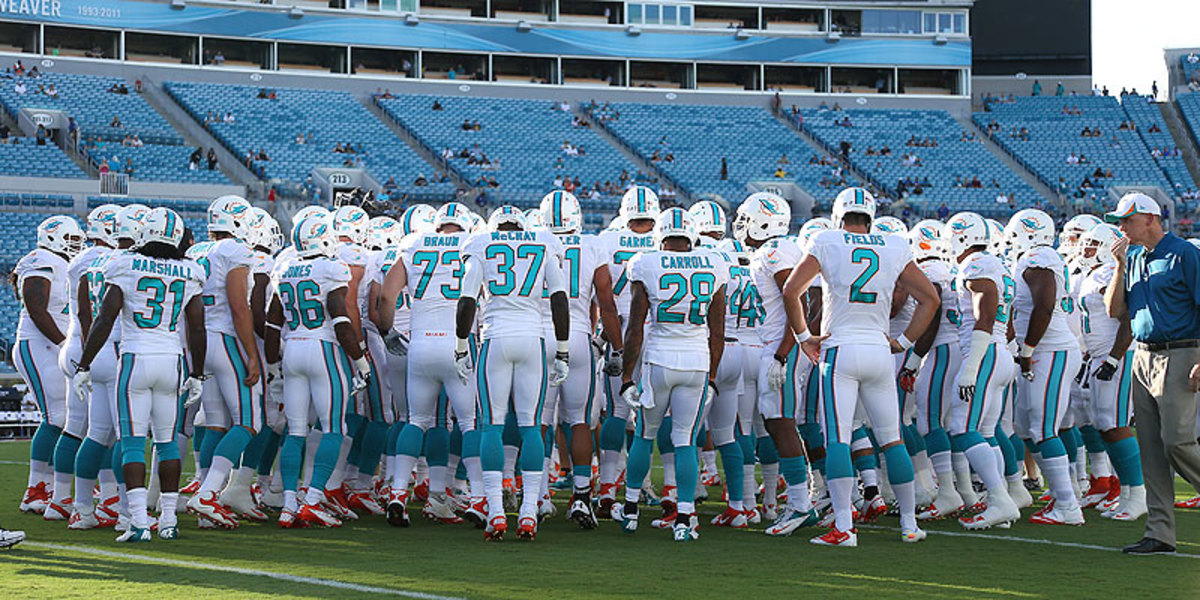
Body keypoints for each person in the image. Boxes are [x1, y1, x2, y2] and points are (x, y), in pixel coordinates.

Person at [782, 187, 939, 547]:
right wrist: (903, 342)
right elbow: (930, 299)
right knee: (892, 437)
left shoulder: (827, 240)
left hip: (840, 348)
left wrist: (805, 336)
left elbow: (792, 291)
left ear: (840, 216)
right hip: (879, 350)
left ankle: (843, 527)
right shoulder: (895, 244)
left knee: (838, 438)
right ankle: (910, 525)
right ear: (870, 216)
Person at [72, 208, 206, 542]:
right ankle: (169, 520)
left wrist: (84, 364)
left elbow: (104, 319)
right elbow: (198, 328)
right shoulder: (189, 270)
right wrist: (198, 374)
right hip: (171, 360)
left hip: (135, 357)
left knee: (132, 442)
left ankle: (139, 522)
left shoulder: (127, 264)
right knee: (166, 443)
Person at [456, 205, 570, 541]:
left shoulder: (481, 243)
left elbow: (466, 300)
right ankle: (529, 513)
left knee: (491, 424)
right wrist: (562, 348)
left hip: (496, 336)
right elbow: (560, 299)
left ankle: (495, 513)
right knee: (530, 426)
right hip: (532, 338)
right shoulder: (544, 242)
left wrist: (461, 344)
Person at [613, 207, 726, 542]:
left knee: (645, 436)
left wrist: (626, 378)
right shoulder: (714, 262)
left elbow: (635, 328)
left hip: (660, 359)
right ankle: (685, 516)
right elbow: (717, 332)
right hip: (697, 362)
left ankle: (631, 509)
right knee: (684, 441)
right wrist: (713, 378)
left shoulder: (646, 262)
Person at [1103, 192, 1200, 555]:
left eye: (1126, 220)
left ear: (1149, 218)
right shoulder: (1134, 257)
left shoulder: (1185, 253)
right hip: (1142, 355)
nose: (1121, 227)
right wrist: (1118, 267)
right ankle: (1160, 532)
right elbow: (1115, 311)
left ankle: (1161, 528)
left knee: (1177, 440)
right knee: (1152, 448)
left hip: (1181, 352)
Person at [263, 214, 370, 528]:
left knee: (296, 431)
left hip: (293, 349)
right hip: (322, 349)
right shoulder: (332, 268)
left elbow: (272, 324)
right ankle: (311, 501)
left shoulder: (284, 269)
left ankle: (288, 505)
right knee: (334, 428)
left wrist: (273, 366)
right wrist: (361, 361)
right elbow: (340, 320)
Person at [377, 203, 478, 527]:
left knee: (416, 420)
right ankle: (475, 498)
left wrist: (388, 331)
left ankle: (396, 493)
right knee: (468, 423)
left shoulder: (414, 244)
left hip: (419, 342)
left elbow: (386, 297)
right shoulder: (473, 245)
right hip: (458, 343)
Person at [534, 191, 622, 530]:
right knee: (580, 420)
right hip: (578, 337)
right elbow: (606, 301)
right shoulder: (592, 244)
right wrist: (616, 346)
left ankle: (538, 495)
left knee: (538, 420)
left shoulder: (534, 241)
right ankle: (583, 496)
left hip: (539, 335)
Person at [739, 192, 819, 536]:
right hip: (776, 342)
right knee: (776, 421)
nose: (740, 225)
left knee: (781, 421)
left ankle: (801, 503)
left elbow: (799, 300)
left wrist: (784, 351)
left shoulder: (775, 252)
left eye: (746, 219)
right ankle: (805, 497)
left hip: (782, 345)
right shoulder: (774, 251)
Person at [184, 196, 265, 529]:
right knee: (250, 421)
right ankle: (206, 494)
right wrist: (252, 353)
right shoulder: (234, 252)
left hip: (199, 341)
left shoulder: (196, 252)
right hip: (224, 339)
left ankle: (208, 502)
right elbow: (239, 307)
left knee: (216, 420)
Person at [594, 187, 660, 518]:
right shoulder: (666, 238)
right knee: (656, 414)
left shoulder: (607, 239)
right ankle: (652, 486)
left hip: (620, 329)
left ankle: (607, 489)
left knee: (618, 412)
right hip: (660, 334)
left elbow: (600, 295)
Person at [1076, 224, 1146, 521]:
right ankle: (1128, 492)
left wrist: (1114, 358)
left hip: (1115, 356)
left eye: (1092, 244)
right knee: (1104, 424)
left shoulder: (1109, 273)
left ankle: (1138, 494)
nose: (1084, 249)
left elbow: (1127, 317)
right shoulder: (1094, 274)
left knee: (1114, 424)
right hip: (1099, 356)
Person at [15, 216, 85, 515]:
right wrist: (62, 342)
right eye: (69, 239)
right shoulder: (41, 259)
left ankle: (54, 486)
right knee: (55, 416)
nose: (75, 245)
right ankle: (35, 490)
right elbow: (35, 307)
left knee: (67, 418)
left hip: (54, 344)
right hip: (39, 344)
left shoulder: (62, 263)